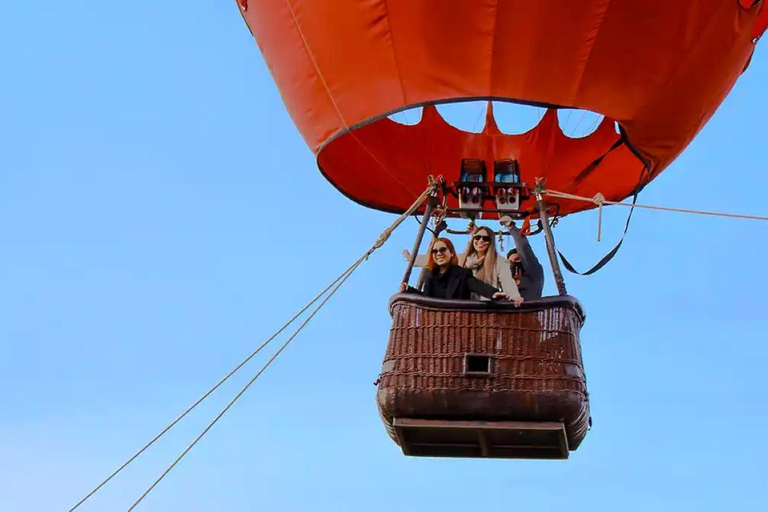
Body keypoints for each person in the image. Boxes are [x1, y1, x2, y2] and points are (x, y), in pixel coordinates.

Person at [402, 226, 523, 303]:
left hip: (484, 305)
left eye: (485, 238)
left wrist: (512, 296)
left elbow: (505, 281)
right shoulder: (464, 260)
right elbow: (434, 259)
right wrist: (412, 259)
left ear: (491, 242)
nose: (481, 241)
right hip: (456, 311)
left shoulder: (498, 262)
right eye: (478, 237)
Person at [503, 220, 545, 300]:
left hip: (527, 310)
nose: (513, 264)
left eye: (517, 259)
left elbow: (524, 249)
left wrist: (511, 227)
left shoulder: (534, 276)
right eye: (511, 262)